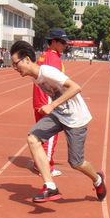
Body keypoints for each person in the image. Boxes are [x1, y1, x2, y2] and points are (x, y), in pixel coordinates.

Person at [10, 40, 107, 203]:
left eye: (16, 64)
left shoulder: (47, 71)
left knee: (76, 163)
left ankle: (97, 179)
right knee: (33, 139)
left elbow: (76, 87)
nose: (14, 68)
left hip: (76, 118)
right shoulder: (35, 77)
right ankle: (50, 186)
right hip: (59, 115)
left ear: (27, 59)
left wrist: (52, 104)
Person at [32, 28, 67, 178]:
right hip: (48, 100)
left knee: (40, 133)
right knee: (51, 134)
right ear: (53, 42)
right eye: (62, 42)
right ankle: (46, 167)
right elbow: (57, 82)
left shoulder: (44, 56)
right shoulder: (53, 58)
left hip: (39, 99)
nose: (65, 45)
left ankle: (39, 162)